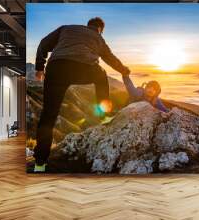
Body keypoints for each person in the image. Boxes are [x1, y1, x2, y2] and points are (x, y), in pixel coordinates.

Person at [33, 17, 130, 172]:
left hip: (56, 69)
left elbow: (43, 43)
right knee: (101, 76)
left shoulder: (66, 28)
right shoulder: (98, 38)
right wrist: (124, 70)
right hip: (83, 69)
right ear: (100, 29)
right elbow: (111, 59)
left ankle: (39, 163)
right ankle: (104, 115)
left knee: (48, 116)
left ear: (88, 26)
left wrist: (39, 67)